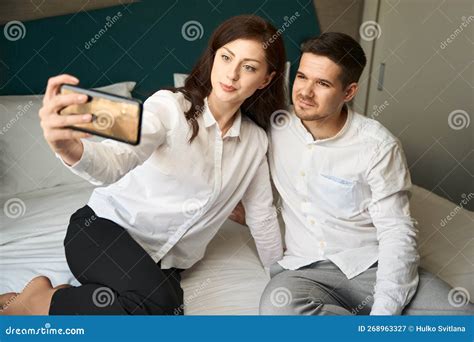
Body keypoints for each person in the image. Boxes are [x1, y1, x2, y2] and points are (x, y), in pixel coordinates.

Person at [0, 15, 285, 316]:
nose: (232, 74)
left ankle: (60, 296)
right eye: (226, 57)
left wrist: (278, 273)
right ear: (214, 57)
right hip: (101, 231)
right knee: (159, 304)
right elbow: (115, 161)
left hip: (163, 261)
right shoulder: (168, 107)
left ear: (265, 79)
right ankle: (36, 302)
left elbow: (262, 214)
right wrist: (69, 148)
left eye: (249, 67)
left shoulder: (255, 142)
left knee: (166, 308)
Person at [234, 32, 474, 315]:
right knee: (279, 309)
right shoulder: (274, 125)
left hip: (370, 265)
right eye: (301, 77)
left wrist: (383, 316)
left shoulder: (378, 146)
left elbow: (396, 231)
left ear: (348, 92)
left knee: (462, 320)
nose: (305, 92)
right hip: (304, 268)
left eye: (322, 83)